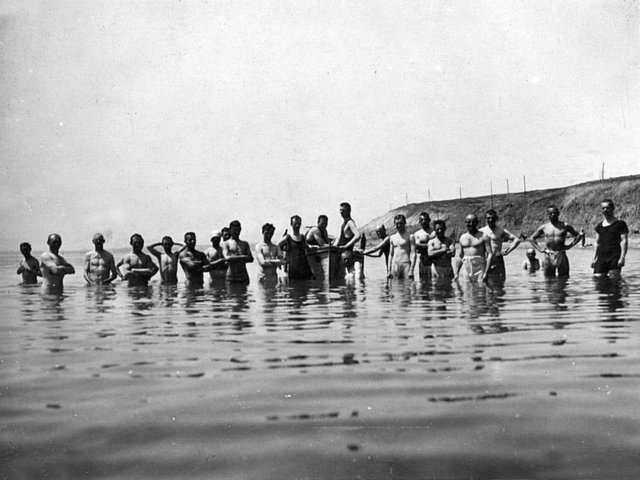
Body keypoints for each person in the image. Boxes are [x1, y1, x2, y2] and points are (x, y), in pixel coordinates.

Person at [529, 205, 582, 278]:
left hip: (561, 253)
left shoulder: (565, 225)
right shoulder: (544, 227)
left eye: (555, 213)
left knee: (564, 278)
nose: (553, 215)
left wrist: (570, 246)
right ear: (548, 215)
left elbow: (578, 235)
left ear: (558, 214)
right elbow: (532, 238)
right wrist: (539, 249)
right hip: (548, 255)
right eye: (551, 213)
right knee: (548, 279)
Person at [591, 199, 628, 278]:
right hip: (601, 257)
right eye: (603, 208)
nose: (605, 210)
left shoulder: (620, 224)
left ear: (612, 208)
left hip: (614, 256)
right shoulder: (599, 226)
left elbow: (624, 241)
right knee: (598, 280)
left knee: (614, 282)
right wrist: (594, 258)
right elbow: (597, 243)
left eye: (607, 208)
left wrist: (622, 257)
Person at [480, 209, 521, 279]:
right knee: (484, 281)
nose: (490, 220)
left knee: (499, 282)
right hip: (485, 259)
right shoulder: (481, 231)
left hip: (497, 259)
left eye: (493, 218)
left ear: (496, 218)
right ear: (485, 219)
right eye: (488, 218)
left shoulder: (501, 230)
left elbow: (516, 240)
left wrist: (507, 251)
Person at [454, 214, 493, 282]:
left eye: (473, 222)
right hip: (466, 266)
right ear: (465, 223)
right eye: (468, 222)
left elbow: (490, 254)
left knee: (480, 289)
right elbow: (460, 256)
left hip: (480, 266)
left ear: (477, 222)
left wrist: (486, 272)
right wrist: (456, 273)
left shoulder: (484, 236)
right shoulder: (462, 237)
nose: (471, 224)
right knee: (466, 289)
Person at [278, 215, 314, 280]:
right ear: (291, 224)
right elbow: (277, 246)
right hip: (293, 269)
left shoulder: (302, 237)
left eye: (299, 224)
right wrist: (281, 258)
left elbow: (307, 247)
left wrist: (314, 247)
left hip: (304, 267)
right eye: (295, 224)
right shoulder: (287, 238)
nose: (297, 226)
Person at [336, 202, 363, 279]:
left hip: (348, 254)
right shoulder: (343, 223)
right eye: (340, 210)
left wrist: (346, 246)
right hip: (344, 255)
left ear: (349, 211)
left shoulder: (350, 222)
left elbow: (358, 235)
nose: (341, 212)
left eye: (343, 210)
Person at [387, 214, 416, 280]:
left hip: (406, 264)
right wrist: (389, 270)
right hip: (395, 264)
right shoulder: (392, 237)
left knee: (407, 286)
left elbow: (414, 254)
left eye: (401, 223)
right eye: (397, 223)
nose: (399, 225)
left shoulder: (410, 236)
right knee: (395, 287)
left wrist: (411, 270)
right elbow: (390, 255)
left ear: (405, 223)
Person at [306, 214, 332, 280]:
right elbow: (321, 244)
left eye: (326, 224)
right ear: (318, 223)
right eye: (322, 223)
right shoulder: (315, 230)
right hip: (310, 251)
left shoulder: (324, 231)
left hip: (319, 253)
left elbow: (327, 243)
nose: (324, 225)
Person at [414, 212, 435, 281]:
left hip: (433, 259)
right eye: (422, 220)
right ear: (419, 221)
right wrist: (429, 246)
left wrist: (422, 246)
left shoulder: (434, 232)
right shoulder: (417, 234)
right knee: (422, 280)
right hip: (422, 259)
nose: (424, 222)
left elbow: (436, 246)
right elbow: (416, 247)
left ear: (429, 220)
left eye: (425, 220)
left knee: (434, 280)